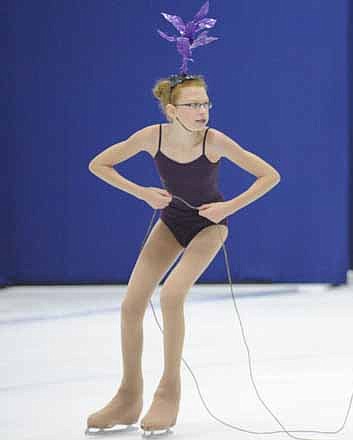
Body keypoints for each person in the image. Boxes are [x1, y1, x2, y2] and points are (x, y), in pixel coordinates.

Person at [85, 74, 280, 434]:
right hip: (171, 223)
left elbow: (269, 175)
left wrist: (229, 208)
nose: (202, 111)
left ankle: (168, 391)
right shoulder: (151, 136)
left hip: (209, 226)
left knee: (172, 295)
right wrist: (141, 192)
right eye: (193, 105)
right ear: (172, 110)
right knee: (131, 305)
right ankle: (128, 396)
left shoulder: (214, 141)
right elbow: (99, 164)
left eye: (206, 103)